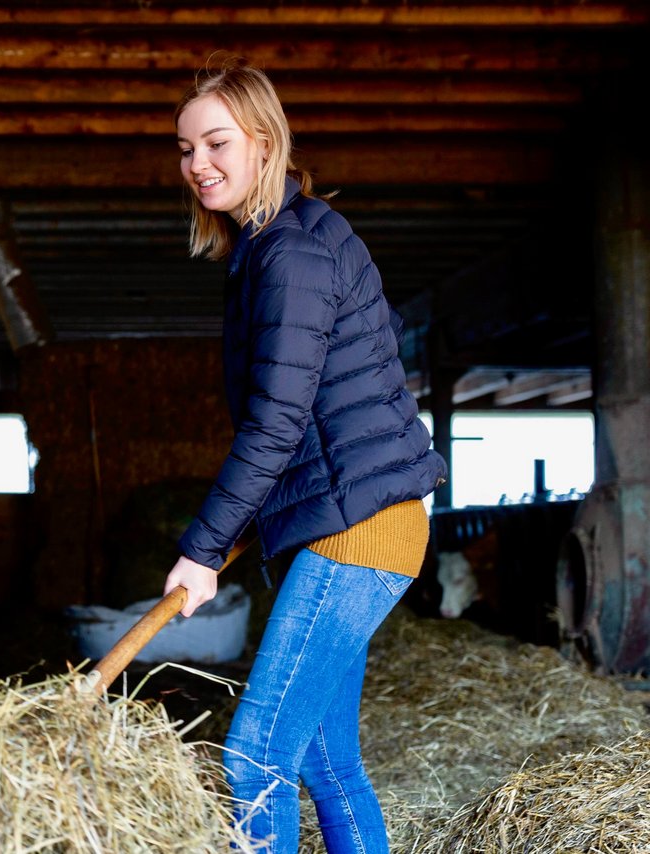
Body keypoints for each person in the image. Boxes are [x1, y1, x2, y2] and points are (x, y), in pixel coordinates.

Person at [162, 55, 447, 854]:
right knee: (326, 760)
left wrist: (202, 548)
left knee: (255, 758)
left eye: (216, 143)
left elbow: (275, 426)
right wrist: (246, 526)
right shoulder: (274, 246)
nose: (197, 165)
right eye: (185, 149)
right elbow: (296, 429)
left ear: (264, 141)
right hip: (348, 522)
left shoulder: (291, 255)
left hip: (356, 533)